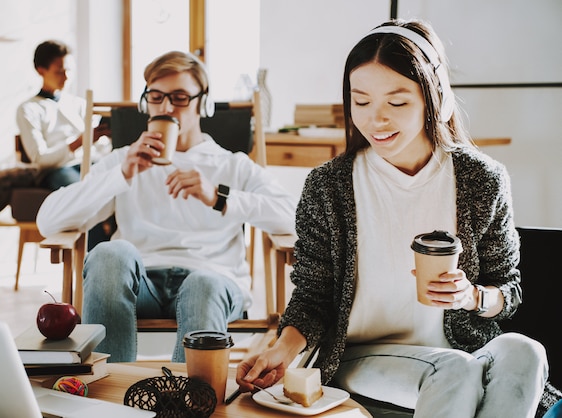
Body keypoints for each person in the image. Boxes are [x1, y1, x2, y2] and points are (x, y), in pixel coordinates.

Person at [236, 19, 559, 417]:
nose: (376, 119)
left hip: (461, 348)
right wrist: (281, 349)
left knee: (527, 351)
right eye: (362, 101)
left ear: (433, 99)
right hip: (360, 356)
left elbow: (507, 292)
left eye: (397, 102)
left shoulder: (481, 180)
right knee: (453, 369)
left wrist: (471, 296)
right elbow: (312, 298)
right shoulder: (329, 186)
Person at [36, 50, 297, 363]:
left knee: (202, 284)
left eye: (180, 97)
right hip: (139, 283)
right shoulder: (125, 160)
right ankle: (109, 396)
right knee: (107, 253)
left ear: (203, 103)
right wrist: (120, 176)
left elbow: (297, 219)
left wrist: (218, 196)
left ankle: (187, 402)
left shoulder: (232, 166)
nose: (167, 107)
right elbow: (48, 221)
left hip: (210, 283)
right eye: (156, 97)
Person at [16, 40, 111, 191]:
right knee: (86, 193)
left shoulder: (79, 104)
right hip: (57, 170)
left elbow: (102, 148)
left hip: (91, 162)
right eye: (60, 71)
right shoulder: (29, 109)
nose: (66, 77)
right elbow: (39, 159)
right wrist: (79, 142)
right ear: (41, 70)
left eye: (69, 70)